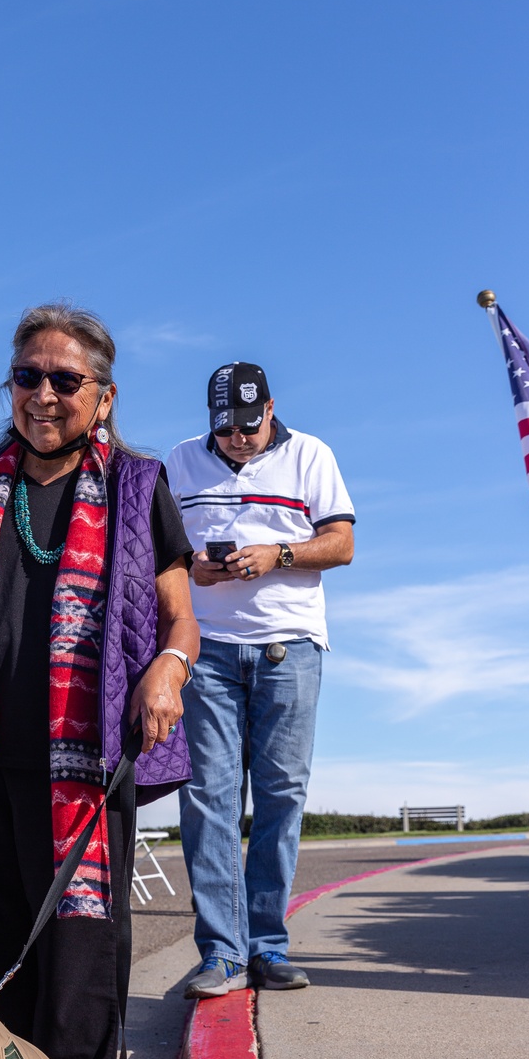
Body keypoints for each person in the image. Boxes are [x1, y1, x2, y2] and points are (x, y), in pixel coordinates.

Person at [0, 302, 197, 1059]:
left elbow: (182, 620)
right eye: (27, 376)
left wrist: (166, 672)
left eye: (66, 380)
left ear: (102, 396)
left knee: (77, 975)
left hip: (86, 766)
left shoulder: (139, 488)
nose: (43, 394)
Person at [166, 362, 355, 998]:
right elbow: (159, 553)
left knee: (280, 796)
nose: (238, 439)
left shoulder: (311, 455)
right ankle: (221, 953)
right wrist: (197, 566)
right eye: (225, 429)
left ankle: (268, 946)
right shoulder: (181, 462)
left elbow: (341, 543)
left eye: (250, 425)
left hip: (291, 647)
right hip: (209, 649)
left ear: (271, 409)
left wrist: (279, 555)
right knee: (208, 800)